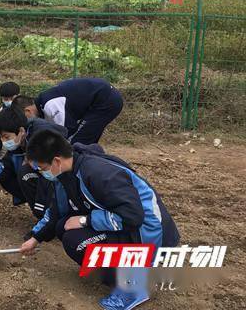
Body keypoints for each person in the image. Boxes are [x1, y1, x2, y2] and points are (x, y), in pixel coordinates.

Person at [19, 129, 179, 310]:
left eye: (42, 168)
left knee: (76, 241)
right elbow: (56, 211)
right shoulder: (66, 174)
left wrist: (85, 221)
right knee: (62, 226)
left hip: (150, 234)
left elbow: (133, 217)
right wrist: (35, 237)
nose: (42, 173)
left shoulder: (99, 173)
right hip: (125, 224)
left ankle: (136, 284)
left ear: (56, 161)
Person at [0, 106, 67, 222]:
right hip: (47, 175)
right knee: (7, 174)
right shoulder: (18, 145)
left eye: (6, 137)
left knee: (25, 172)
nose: (5, 142)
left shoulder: (42, 135)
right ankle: (43, 216)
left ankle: (53, 216)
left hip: (64, 177)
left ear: (21, 131)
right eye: (2, 138)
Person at [19, 78, 123, 144]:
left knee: (77, 142)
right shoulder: (43, 102)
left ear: (27, 110)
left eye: (25, 118)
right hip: (98, 100)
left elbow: (63, 132)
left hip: (106, 99)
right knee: (85, 138)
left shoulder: (50, 105)